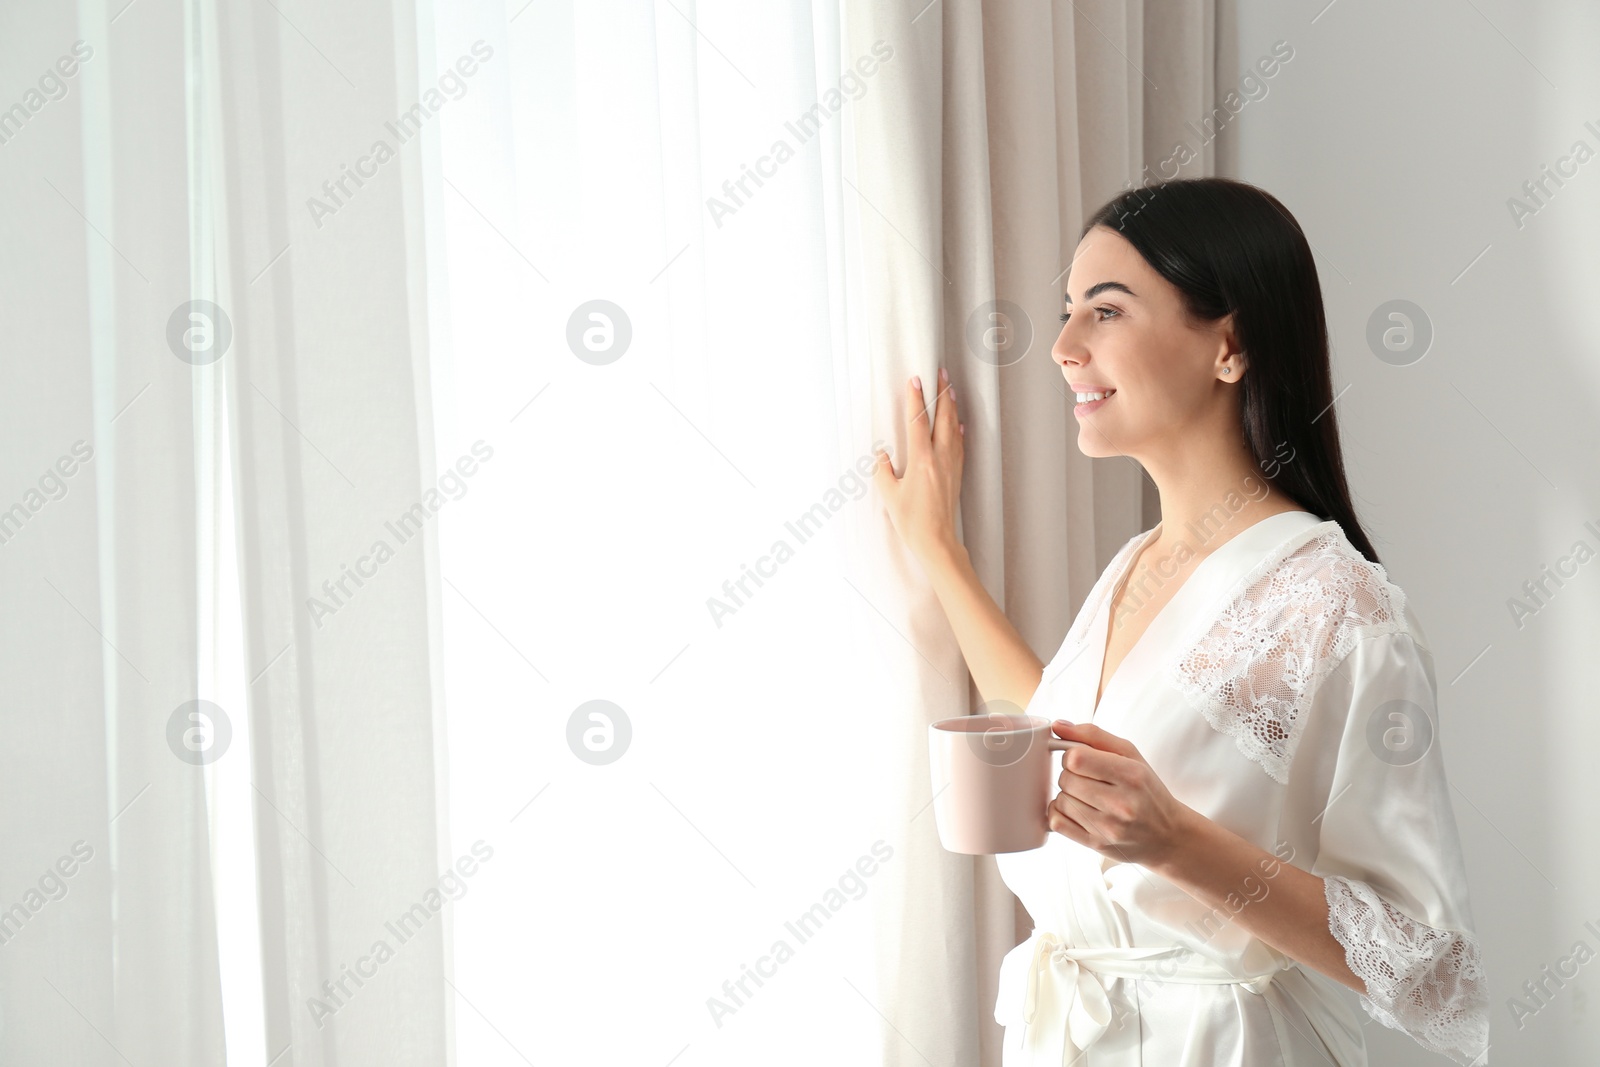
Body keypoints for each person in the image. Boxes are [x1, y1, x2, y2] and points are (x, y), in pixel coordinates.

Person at [871, 178, 1489, 1066]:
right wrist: (936, 549)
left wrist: (1174, 841)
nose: (1061, 347)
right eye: (1067, 310)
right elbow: (1063, 725)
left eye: (1106, 311)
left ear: (1229, 345)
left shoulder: (1339, 606)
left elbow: (1429, 967)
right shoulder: (1138, 563)